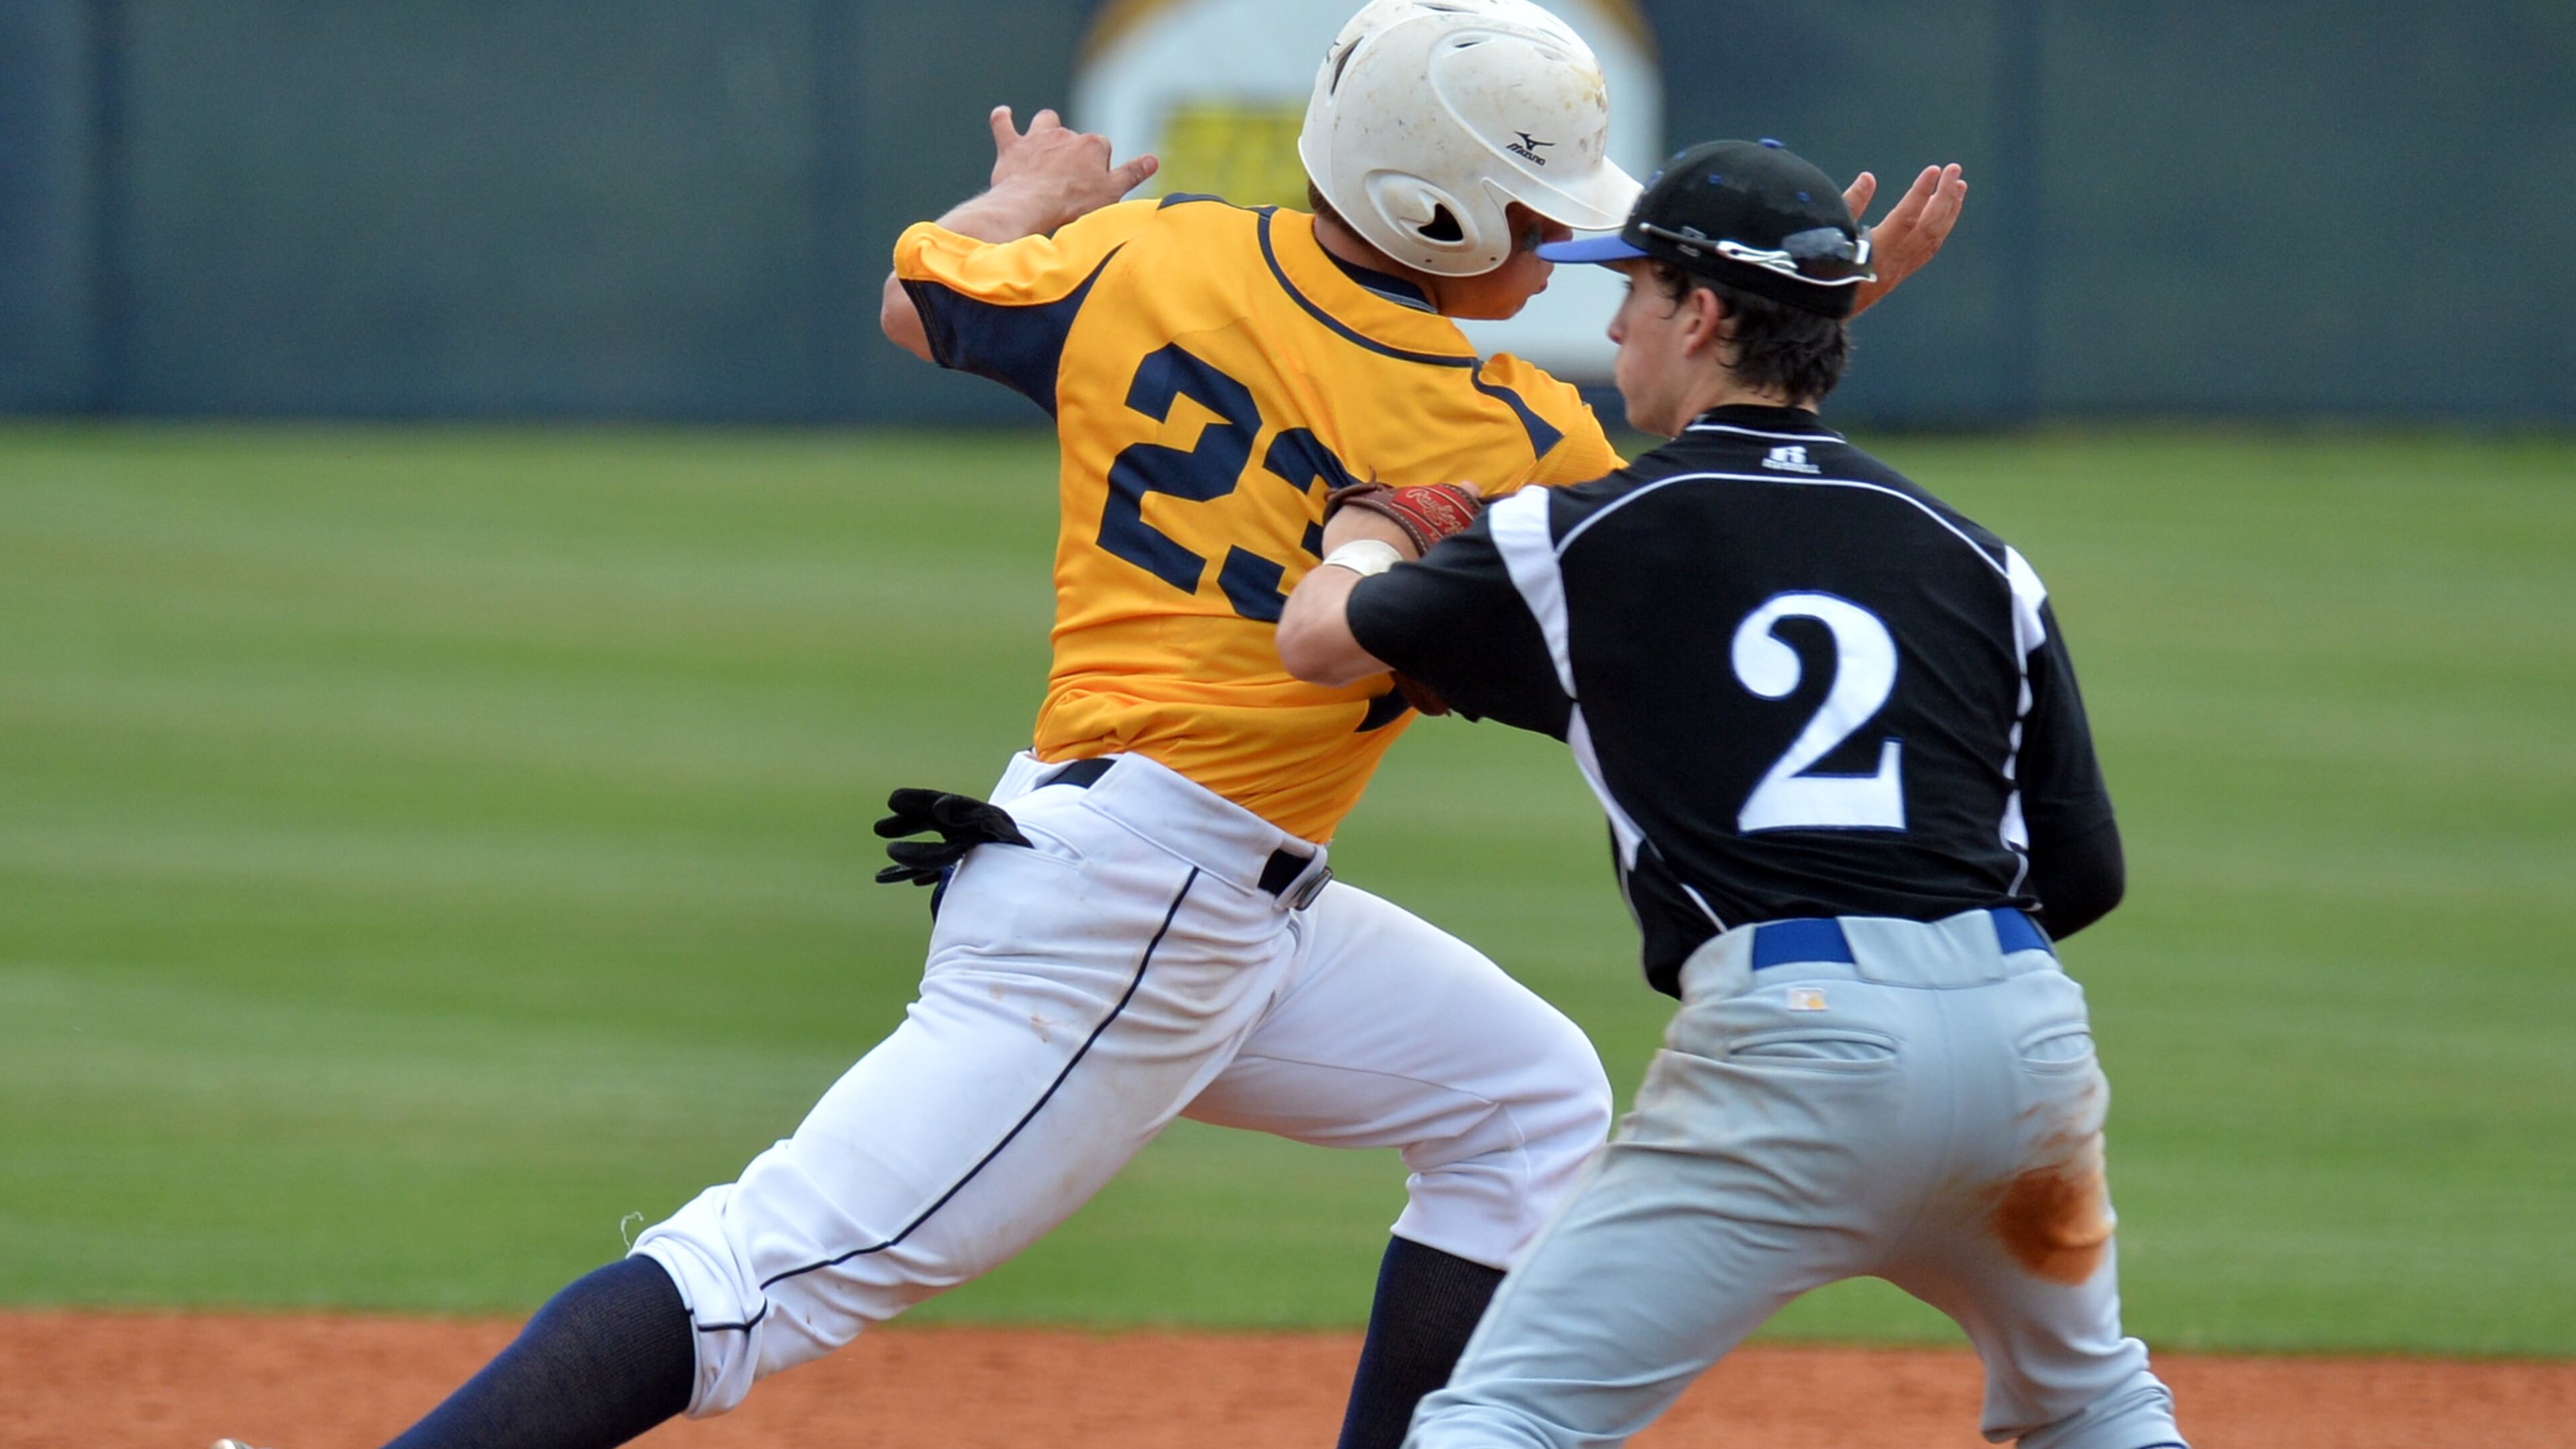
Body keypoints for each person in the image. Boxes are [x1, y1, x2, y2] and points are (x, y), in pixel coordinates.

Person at [236, 9, 1964, 1448]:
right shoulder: (1499, 417)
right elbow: (1711, 492)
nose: (1568, 249)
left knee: (1522, 1097)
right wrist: (1811, 326)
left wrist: (1011, 195)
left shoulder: (1158, 251)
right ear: (1433, 212)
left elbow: (928, 300)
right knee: (762, 1268)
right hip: (1139, 919)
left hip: (1159, 875)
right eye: (1535, 219)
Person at [1275, 138, 2185, 1449]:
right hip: (2023, 1047)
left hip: (1792, 1051)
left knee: (1501, 1420)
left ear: (1700, 316)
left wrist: (1377, 522)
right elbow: (2082, 875)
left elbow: (1318, 641)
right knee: (2095, 1408)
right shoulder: (1981, 560)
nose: (1615, 318)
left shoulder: (1575, 536)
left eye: (1634, 289)